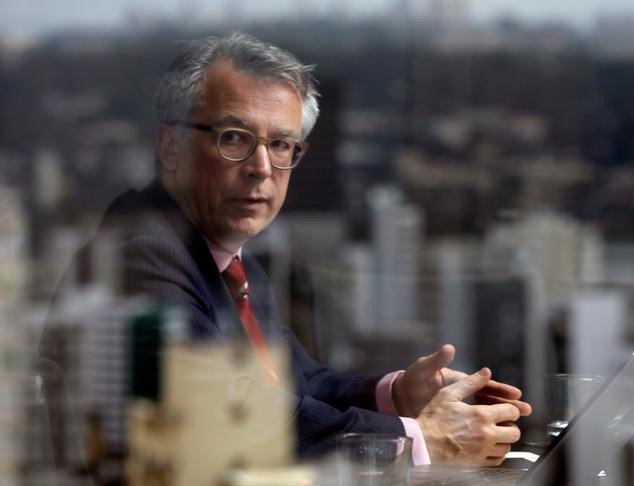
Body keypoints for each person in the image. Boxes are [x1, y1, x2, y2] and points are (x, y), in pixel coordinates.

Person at [43, 31, 531, 466]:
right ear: (170, 147)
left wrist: (400, 394)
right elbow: (228, 414)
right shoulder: (142, 255)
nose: (261, 167)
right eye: (234, 138)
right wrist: (421, 439)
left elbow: (300, 386)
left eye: (281, 145)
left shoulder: (229, 257)